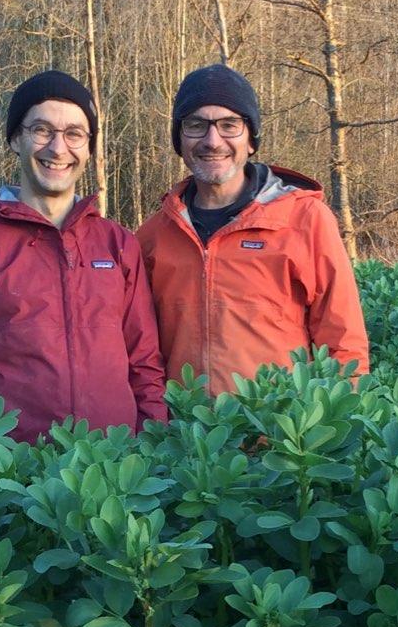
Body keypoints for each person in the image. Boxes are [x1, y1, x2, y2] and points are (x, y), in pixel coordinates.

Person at [0, 70, 168, 442]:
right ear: (15, 139)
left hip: (114, 462)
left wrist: (151, 444)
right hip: (14, 465)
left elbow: (144, 361)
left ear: (89, 147)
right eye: (41, 130)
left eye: (74, 134)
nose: (58, 148)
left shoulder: (117, 243)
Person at [136, 65, 369, 395]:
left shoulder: (305, 219)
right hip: (184, 425)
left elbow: (343, 342)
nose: (212, 141)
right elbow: (141, 350)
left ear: (251, 139)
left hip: (279, 423)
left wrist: (339, 415)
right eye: (196, 125)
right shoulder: (153, 235)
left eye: (229, 125)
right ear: (180, 139)